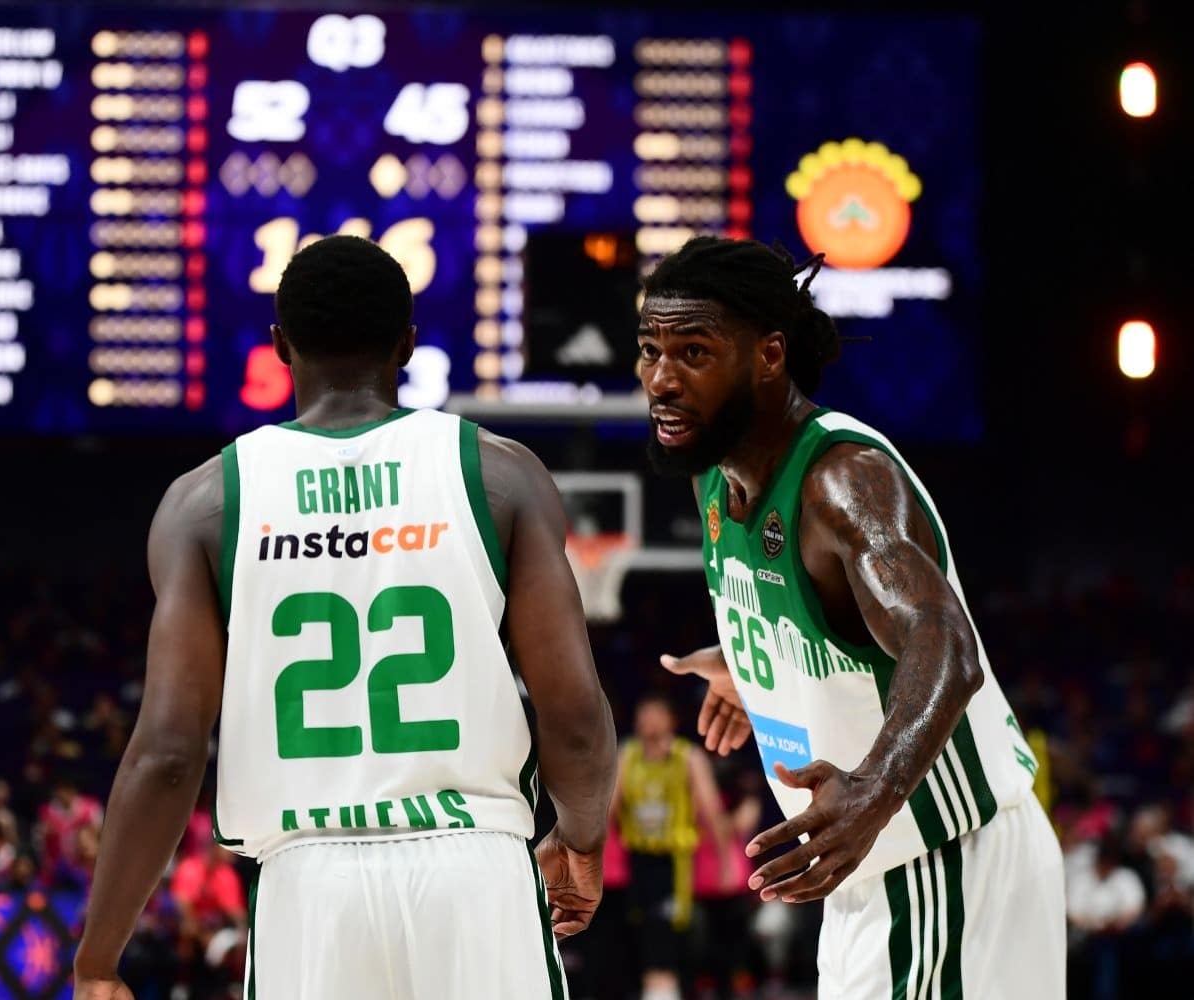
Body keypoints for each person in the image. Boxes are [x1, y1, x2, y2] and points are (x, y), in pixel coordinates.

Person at [73, 235, 618, 999]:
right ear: (407, 345)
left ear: (280, 346)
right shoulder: (500, 474)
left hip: (309, 885)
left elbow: (167, 752)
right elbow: (575, 719)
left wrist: (98, 959)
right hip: (478, 869)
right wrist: (583, 841)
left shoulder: (205, 503)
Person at [642, 236, 1065, 997]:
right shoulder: (715, 476)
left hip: (939, 860)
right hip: (872, 874)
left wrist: (873, 788)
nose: (662, 380)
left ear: (769, 355)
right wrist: (752, 666)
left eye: (694, 353)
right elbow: (831, 623)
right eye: (650, 351)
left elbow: (944, 643)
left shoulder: (842, 480)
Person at [610, 694, 731, 1000]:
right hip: (638, 856)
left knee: (670, 928)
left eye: (656, 714)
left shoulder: (688, 757)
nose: (649, 721)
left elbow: (711, 810)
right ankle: (653, 987)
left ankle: (670, 988)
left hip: (675, 859)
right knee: (640, 927)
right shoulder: (627, 755)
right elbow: (609, 808)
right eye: (644, 714)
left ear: (671, 720)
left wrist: (725, 859)